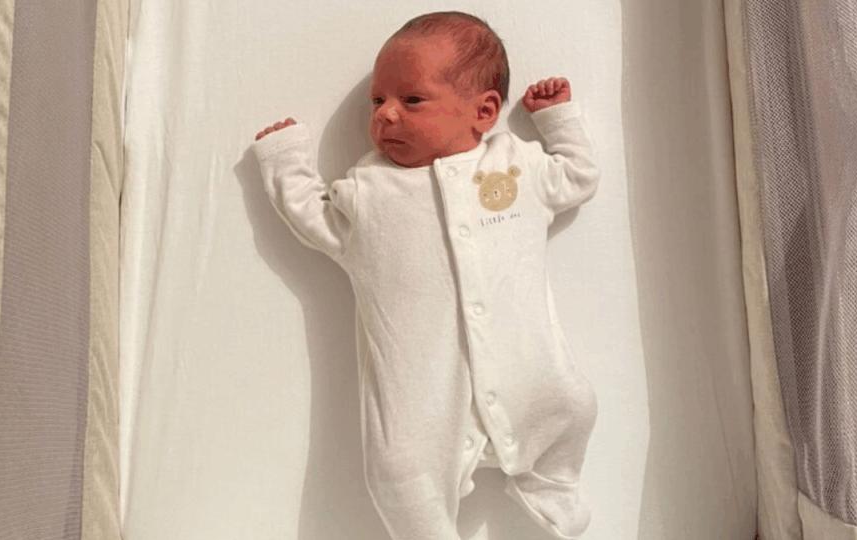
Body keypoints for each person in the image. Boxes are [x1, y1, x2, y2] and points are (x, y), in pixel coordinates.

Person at [252, 11, 601, 539]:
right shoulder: (368, 192)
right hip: (422, 397)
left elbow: (577, 176)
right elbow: (314, 218)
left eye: (411, 100)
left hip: (531, 372)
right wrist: (285, 161)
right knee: (398, 471)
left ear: (483, 112)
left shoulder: (516, 166)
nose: (385, 116)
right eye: (377, 101)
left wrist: (558, 118)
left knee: (572, 409)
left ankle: (556, 500)